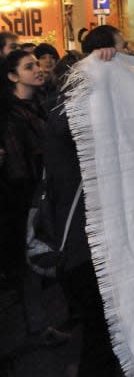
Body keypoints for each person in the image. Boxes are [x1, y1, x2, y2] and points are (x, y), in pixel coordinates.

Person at [43, 25, 126, 377]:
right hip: (82, 246)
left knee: (104, 333)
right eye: (124, 47)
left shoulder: (101, 96)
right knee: (99, 332)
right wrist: (94, 73)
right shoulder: (70, 107)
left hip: (96, 243)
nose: (130, 52)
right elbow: (64, 126)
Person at [1, 49, 70, 348]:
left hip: (43, 195)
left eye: (37, 65)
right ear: (13, 76)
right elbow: (18, 168)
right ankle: (37, 328)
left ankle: (42, 324)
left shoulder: (40, 105)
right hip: (25, 201)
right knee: (30, 266)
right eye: (29, 67)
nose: (38, 70)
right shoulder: (11, 116)